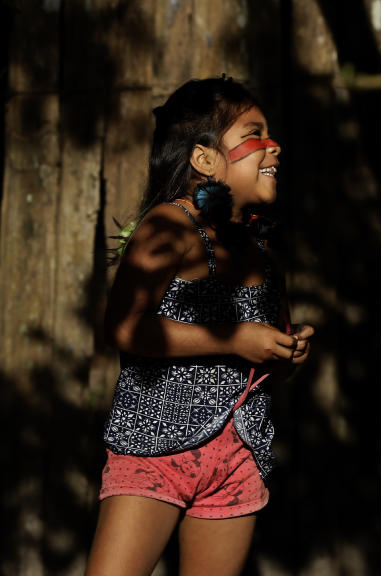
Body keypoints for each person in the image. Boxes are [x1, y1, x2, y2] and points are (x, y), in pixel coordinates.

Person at [85, 77, 314, 576]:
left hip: (238, 457)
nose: (274, 145)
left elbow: (266, 353)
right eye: (255, 134)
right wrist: (234, 338)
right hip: (154, 450)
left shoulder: (260, 248)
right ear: (204, 159)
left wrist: (287, 352)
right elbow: (124, 328)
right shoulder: (170, 226)